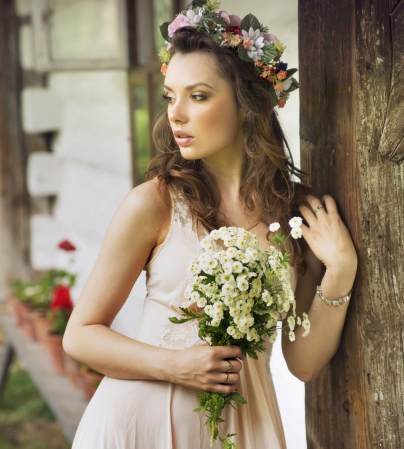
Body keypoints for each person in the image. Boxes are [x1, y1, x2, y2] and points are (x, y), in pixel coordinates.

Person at [63, 4, 358, 448]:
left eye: (197, 96)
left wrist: (339, 273)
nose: (175, 114)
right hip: (139, 428)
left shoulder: (293, 216)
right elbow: (80, 336)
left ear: (246, 105)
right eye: (170, 95)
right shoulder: (154, 203)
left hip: (245, 429)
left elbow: (302, 363)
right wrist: (174, 365)